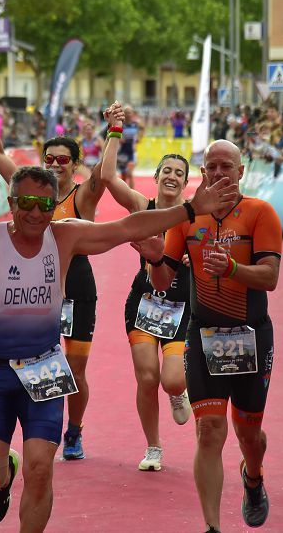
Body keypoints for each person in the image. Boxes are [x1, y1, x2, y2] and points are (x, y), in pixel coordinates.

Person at [0, 165, 237, 531]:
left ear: (54, 206)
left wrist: (188, 210)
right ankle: (4, 472)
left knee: (41, 470)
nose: (35, 213)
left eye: (45, 205)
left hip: (45, 369)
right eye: (26, 203)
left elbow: (127, 226)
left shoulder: (65, 236)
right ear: (11, 203)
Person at [138, 139, 282, 533]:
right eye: (211, 167)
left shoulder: (260, 213)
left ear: (241, 171)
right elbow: (164, 280)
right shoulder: (185, 218)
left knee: (248, 434)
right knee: (209, 430)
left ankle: (253, 478)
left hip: (252, 335)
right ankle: (212, 526)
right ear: (203, 174)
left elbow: (270, 277)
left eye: (226, 167)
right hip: (202, 335)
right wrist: (154, 258)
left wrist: (233, 269)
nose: (219, 174)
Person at [0, 87, 110, 460]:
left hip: (79, 290)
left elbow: (104, 174)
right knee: (36, 362)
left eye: (62, 160)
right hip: (39, 291)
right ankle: (42, 430)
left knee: (75, 369)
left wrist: (113, 132)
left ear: (75, 163)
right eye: (49, 159)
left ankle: (75, 430)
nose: (54, 165)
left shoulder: (83, 195)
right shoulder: (28, 187)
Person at [100, 111, 193, 472]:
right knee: (146, 377)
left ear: (186, 183)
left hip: (182, 306)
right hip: (143, 304)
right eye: (166, 171)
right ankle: (153, 447)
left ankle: (179, 392)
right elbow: (107, 176)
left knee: (170, 379)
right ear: (155, 178)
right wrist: (115, 130)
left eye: (178, 173)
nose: (171, 176)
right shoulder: (143, 206)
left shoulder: (192, 218)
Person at [118, 105, 144, 190]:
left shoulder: (136, 124)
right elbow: (117, 136)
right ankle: (124, 192)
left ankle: (132, 193)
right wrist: (120, 138)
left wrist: (139, 138)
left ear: (132, 113)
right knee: (123, 174)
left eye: (129, 112)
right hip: (122, 151)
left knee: (130, 173)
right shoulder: (120, 124)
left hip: (132, 152)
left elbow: (142, 129)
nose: (128, 114)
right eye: (126, 112)